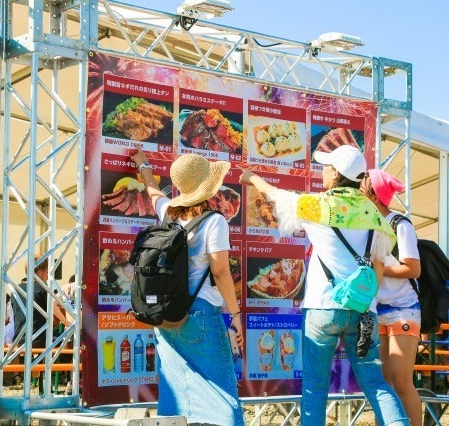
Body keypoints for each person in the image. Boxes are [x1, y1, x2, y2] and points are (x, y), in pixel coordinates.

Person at [239, 145, 409, 425]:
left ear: (337, 174)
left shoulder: (318, 205)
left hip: (322, 307)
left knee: (315, 388)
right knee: (376, 385)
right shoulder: (373, 212)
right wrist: (366, 302)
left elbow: (279, 196)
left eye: (326, 167)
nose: (323, 171)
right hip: (363, 311)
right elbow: (378, 264)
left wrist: (252, 178)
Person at [131, 148, 244, 425]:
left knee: (177, 393)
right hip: (200, 311)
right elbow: (220, 271)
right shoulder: (214, 221)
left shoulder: (168, 214)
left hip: (167, 313)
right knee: (221, 390)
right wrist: (236, 315)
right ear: (208, 187)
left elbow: (154, 193)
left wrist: (143, 166)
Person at [360, 168, 422, 426]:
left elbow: (413, 269)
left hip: (403, 308)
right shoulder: (366, 224)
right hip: (378, 310)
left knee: (401, 382)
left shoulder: (400, 225)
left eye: (362, 189)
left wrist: (377, 269)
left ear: (375, 196)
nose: (357, 193)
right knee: (384, 384)